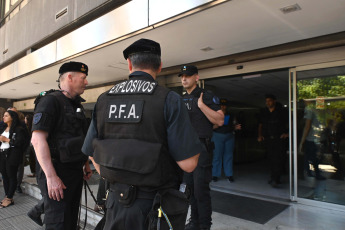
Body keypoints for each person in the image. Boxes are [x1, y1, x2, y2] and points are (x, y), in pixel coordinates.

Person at [82, 38, 201, 230]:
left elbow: (91, 152)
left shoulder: (104, 99)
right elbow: (189, 164)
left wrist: (116, 175)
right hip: (155, 209)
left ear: (129, 64)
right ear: (160, 66)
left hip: (115, 204)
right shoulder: (169, 99)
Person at [30, 61, 92, 229]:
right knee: (58, 221)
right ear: (70, 78)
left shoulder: (76, 104)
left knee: (71, 219)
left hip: (74, 171)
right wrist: (51, 177)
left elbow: (79, 137)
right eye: (83, 78)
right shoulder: (50, 101)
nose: (86, 82)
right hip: (57, 172)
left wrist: (85, 163)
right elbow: (37, 140)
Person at [179, 65, 224, 230]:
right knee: (190, 190)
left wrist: (202, 106)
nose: (184, 79)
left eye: (188, 76)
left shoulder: (205, 96)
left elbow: (219, 120)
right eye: (182, 76)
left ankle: (204, 226)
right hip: (186, 150)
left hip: (201, 149)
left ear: (196, 77)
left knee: (201, 191)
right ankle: (194, 222)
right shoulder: (180, 99)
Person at [258, 94, 289, 188]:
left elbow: (290, 122)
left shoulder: (282, 111)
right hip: (268, 139)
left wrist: (287, 133)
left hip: (279, 139)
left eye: (270, 101)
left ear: (274, 101)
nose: (268, 103)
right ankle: (273, 177)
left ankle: (276, 179)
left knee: (278, 159)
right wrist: (260, 135)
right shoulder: (264, 112)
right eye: (266, 101)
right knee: (271, 159)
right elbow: (260, 125)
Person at [0, 110, 27, 208]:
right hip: (2, 154)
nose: (4, 117)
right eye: (3, 116)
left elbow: (20, 143)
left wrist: (6, 139)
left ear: (12, 117)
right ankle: (7, 196)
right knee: (5, 175)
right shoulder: (3, 128)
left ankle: (9, 198)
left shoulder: (19, 129)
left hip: (12, 155)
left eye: (6, 116)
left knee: (11, 175)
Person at [212, 98, 241, 183]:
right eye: (221, 105)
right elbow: (211, 127)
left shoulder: (231, 115)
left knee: (228, 156)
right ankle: (215, 175)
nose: (223, 107)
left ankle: (229, 175)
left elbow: (235, 124)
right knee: (217, 156)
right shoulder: (215, 114)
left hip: (229, 136)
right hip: (217, 136)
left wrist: (236, 127)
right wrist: (215, 126)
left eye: (224, 105)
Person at [299, 100, 326, 180]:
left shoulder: (309, 109)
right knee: (314, 157)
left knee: (310, 156)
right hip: (318, 137)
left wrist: (302, 141)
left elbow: (307, 126)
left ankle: (309, 172)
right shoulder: (319, 110)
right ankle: (312, 172)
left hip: (311, 138)